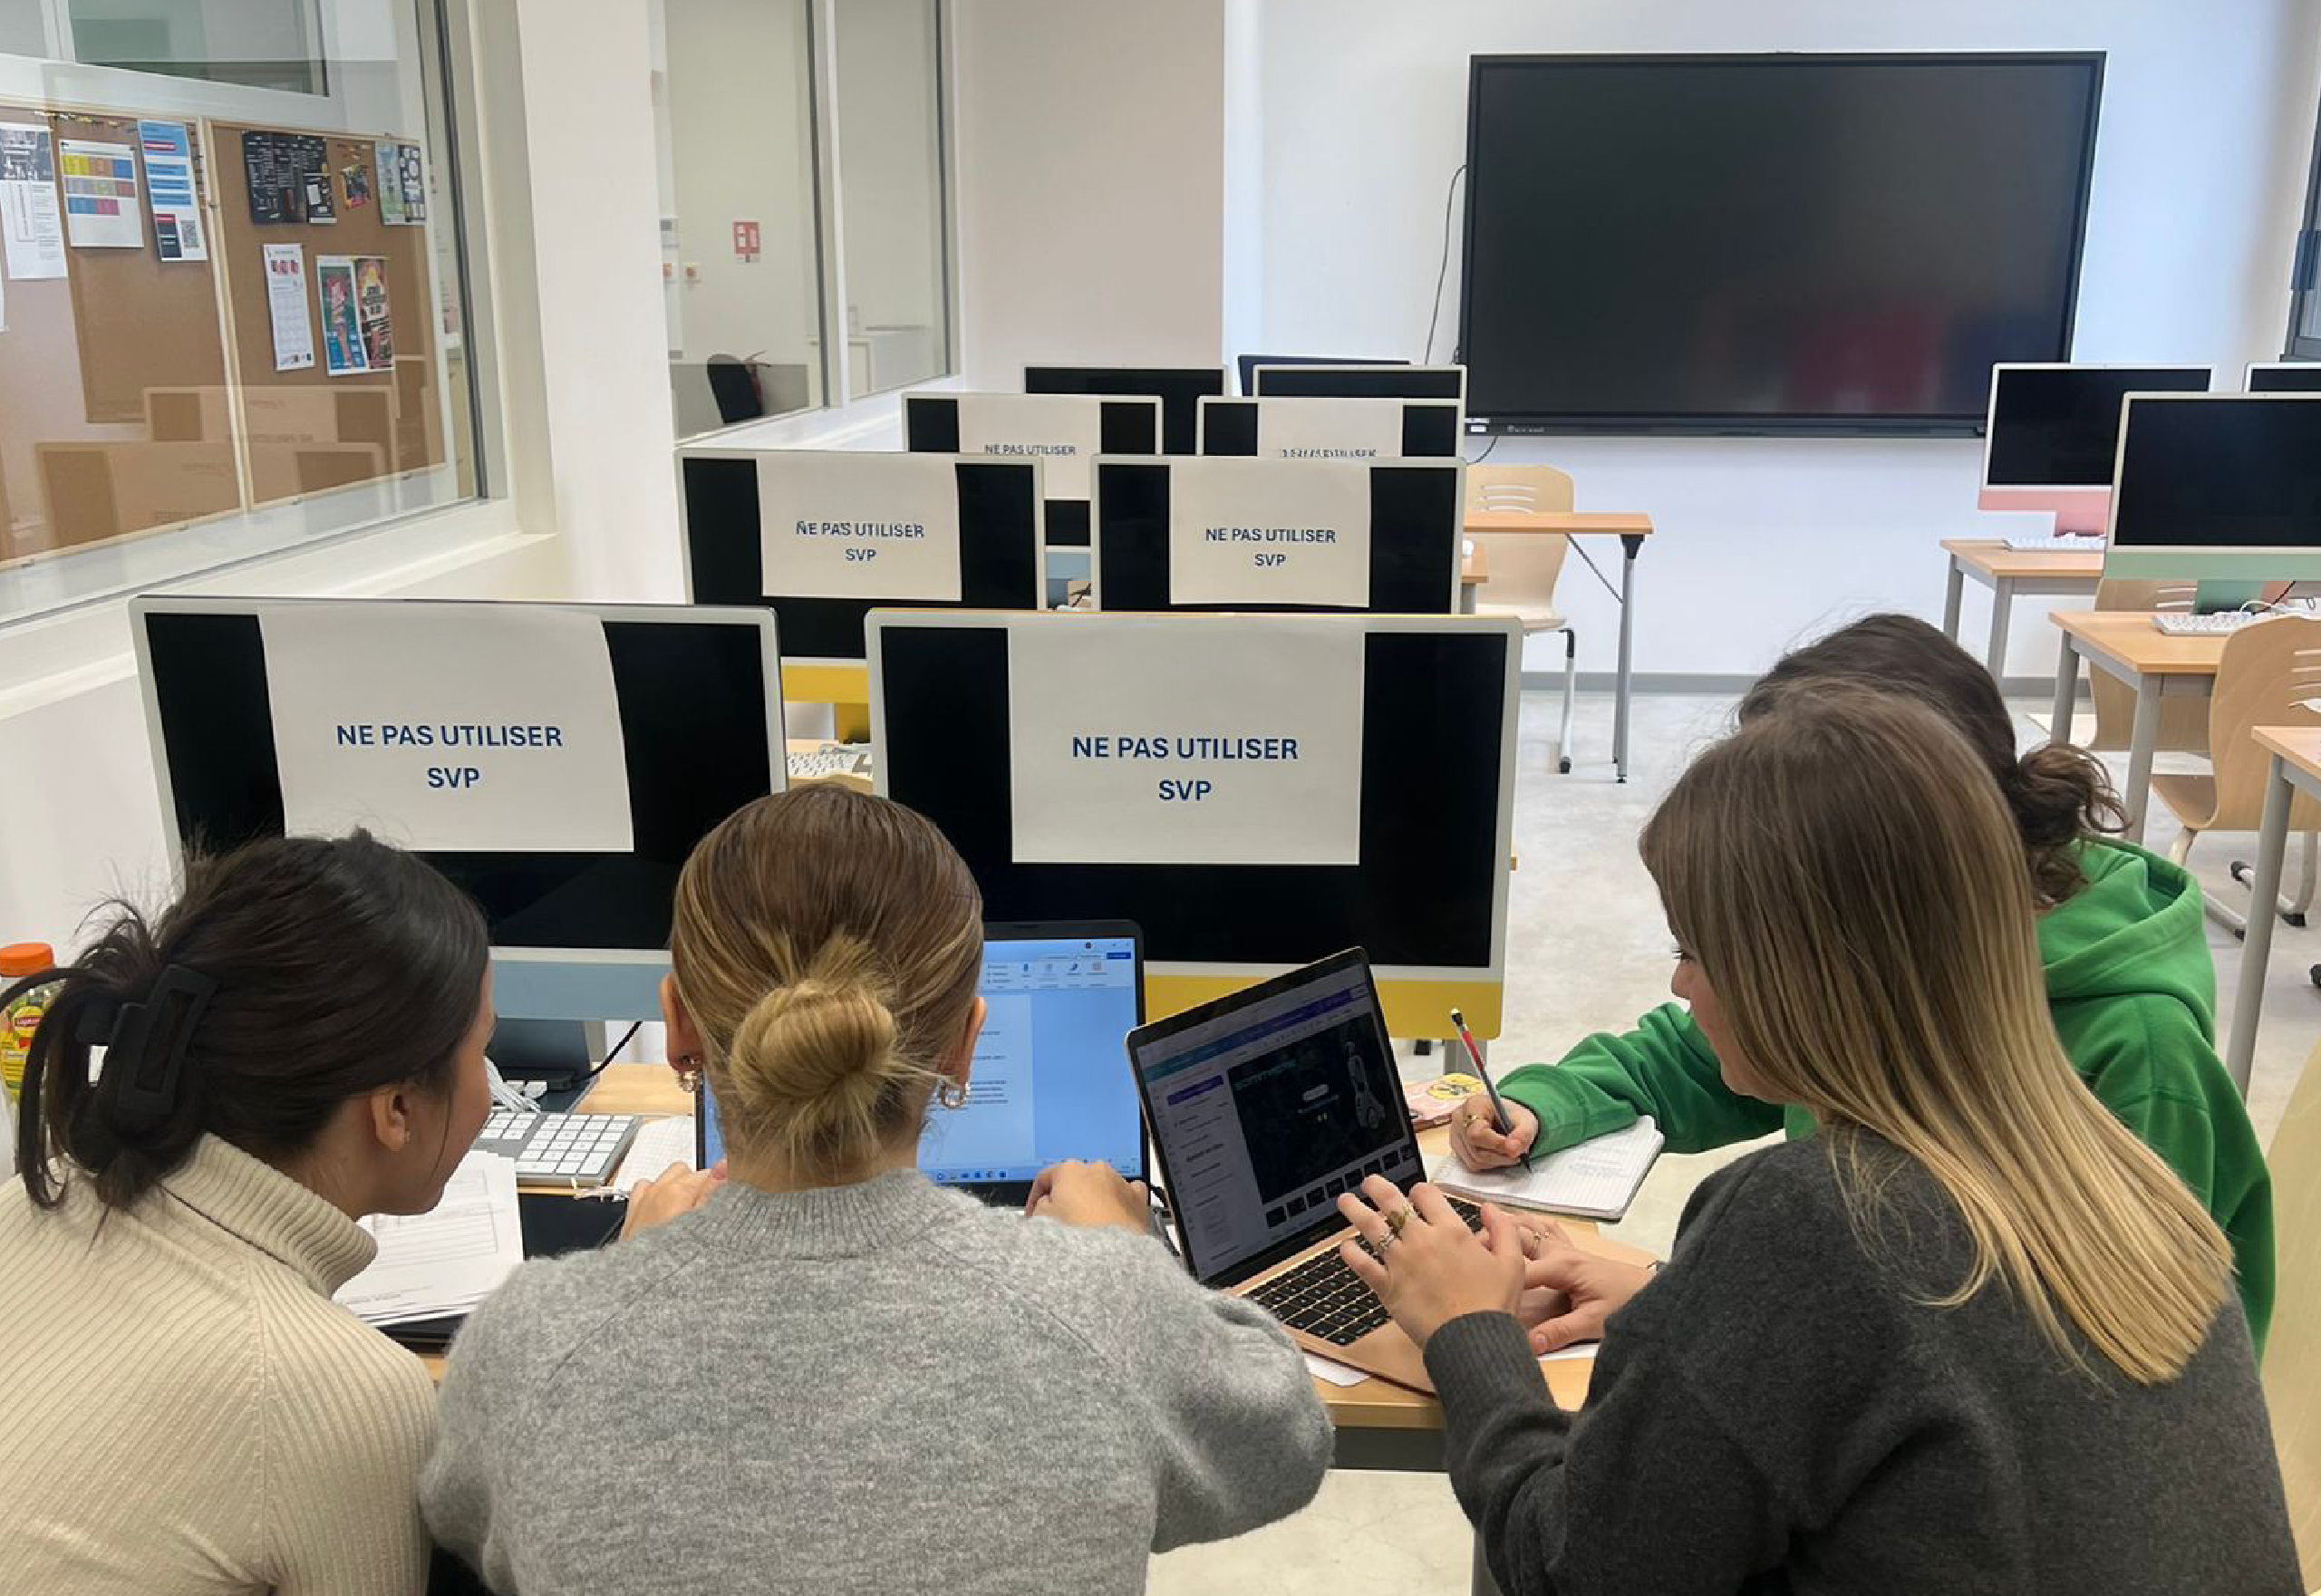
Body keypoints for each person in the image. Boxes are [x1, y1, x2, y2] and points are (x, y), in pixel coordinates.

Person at [1342, 692, 2302, 1595]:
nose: (1680, 987)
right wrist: (1678, 1310)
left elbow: (1569, 1569)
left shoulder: (1811, 1215)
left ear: (1799, 979)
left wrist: (1467, 1331)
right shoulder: (2111, 1168)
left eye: (1693, 951)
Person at [422, 785, 1331, 1596]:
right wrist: (1128, 1257)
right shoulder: (1103, 1305)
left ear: (675, 1025)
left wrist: (617, 1284)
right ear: (965, 1044)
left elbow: (473, 1522)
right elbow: (1285, 1444)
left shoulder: (530, 1343)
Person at [1456, 613, 2274, 1355]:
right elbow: (1700, 1055)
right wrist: (1544, 1105)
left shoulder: (2140, 1054)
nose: (1689, 980)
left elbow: (2081, 1368)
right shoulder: (1881, 963)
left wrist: (1688, 1308)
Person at [0, 833, 494, 1596]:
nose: (489, 1090)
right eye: (480, 1053)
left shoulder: (30, 1197)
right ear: (396, 1108)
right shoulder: (346, 1394)